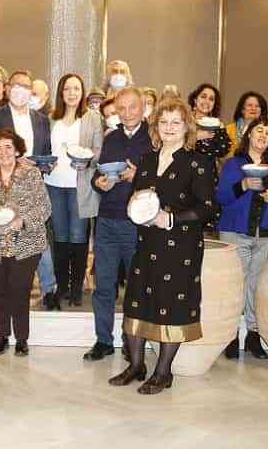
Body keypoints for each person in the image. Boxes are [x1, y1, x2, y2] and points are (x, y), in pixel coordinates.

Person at [109, 98, 217, 394]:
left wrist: (170, 218)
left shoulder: (198, 162)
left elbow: (208, 208)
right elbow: (137, 195)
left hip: (180, 247)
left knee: (172, 304)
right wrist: (136, 207)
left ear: (186, 127)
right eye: (163, 122)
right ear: (155, 126)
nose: (169, 128)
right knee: (137, 301)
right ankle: (136, 365)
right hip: (146, 243)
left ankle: (163, 372)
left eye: (176, 123)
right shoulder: (146, 159)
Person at [216, 117, 268, 360]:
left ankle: (253, 335)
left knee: (257, 287)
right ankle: (230, 335)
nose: (264, 136)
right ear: (248, 134)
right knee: (235, 285)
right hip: (235, 231)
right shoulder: (233, 164)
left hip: (267, 234)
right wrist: (243, 185)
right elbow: (221, 197)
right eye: (259, 130)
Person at [85, 87, 152, 361]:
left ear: (143, 107)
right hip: (107, 220)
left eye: (132, 107)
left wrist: (138, 176)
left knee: (136, 287)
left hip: (137, 222)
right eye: (121, 109)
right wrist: (97, 183)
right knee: (104, 285)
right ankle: (103, 340)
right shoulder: (111, 138)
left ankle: (131, 341)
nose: (126, 113)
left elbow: (162, 182)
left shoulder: (154, 138)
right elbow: (100, 174)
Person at [0, 129, 51, 356]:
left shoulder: (32, 174)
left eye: (8, 147)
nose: (3, 152)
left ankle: (22, 338)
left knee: (19, 290)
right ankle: (1, 335)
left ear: (17, 150)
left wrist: (21, 222)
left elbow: (45, 208)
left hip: (25, 243)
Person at [45, 74, 102, 307]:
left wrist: (88, 162)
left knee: (78, 238)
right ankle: (63, 287)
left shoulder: (92, 118)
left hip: (80, 185)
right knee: (60, 238)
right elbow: (44, 148)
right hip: (54, 183)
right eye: (67, 88)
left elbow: (98, 150)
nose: (71, 93)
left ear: (82, 92)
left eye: (76, 88)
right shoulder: (51, 118)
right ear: (61, 92)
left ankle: (77, 288)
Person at [0, 70, 52, 169]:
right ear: (8, 89)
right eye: (17, 86)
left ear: (30, 92)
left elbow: (45, 152)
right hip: (2, 180)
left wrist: (48, 164)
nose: (21, 90)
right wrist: (13, 162)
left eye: (26, 87)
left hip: (32, 180)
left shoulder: (42, 120)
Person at [188, 83, 231, 165]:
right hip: (185, 170)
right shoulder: (184, 121)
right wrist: (195, 137)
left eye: (211, 99)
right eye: (203, 97)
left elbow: (223, 151)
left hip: (209, 173)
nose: (207, 101)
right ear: (195, 100)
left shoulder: (218, 125)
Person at [225, 91, 268, 156]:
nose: (253, 108)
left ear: (261, 111)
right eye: (249, 105)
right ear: (242, 109)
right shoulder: (228, 130)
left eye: (257, 106)